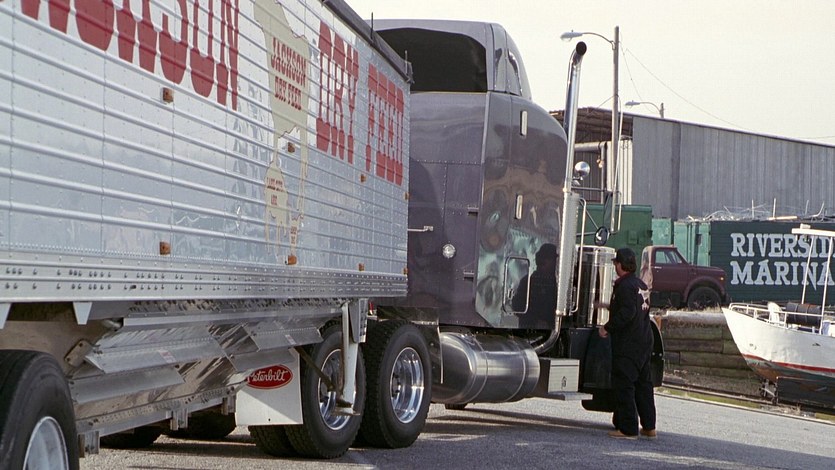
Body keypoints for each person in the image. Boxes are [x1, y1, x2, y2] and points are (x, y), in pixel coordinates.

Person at [597, 247, 656, 440]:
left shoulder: (624, 286)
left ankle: (628, 428)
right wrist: (608, 306)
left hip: (628, 343)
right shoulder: (641, 285)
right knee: (643, 385)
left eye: (616, 263)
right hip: (644, 341)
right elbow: (637, 309)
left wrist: (607, 327)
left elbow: (627, 313)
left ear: (620, 265)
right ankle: (649, 426)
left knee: (624, 384)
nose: (615, 266)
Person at [511, 243, 557, 316]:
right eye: (550, 259)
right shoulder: (527, 282)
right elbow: (518, 307)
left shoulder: (557, 283)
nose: (555, 263)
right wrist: (534, 319)